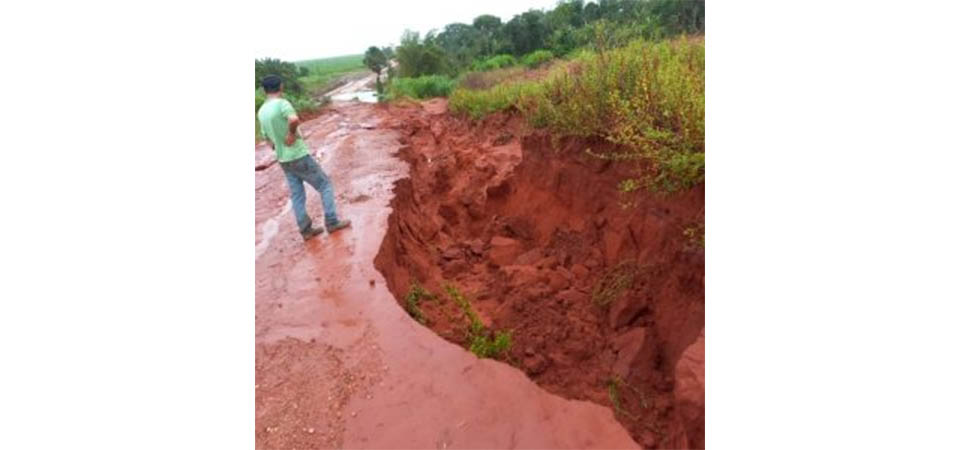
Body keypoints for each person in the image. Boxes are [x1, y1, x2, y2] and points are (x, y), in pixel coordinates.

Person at [257, 75, 350, 241]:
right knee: (325, 185)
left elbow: (266, 138)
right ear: (281, 86)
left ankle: (306, 231)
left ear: (264, 90)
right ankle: (332, 222)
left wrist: (277, 147)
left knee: (297, 195)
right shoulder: (282, 104)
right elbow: (293, 119)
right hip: (298, 155)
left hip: (283, 160)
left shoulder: (262, 111)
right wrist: (291, 135)